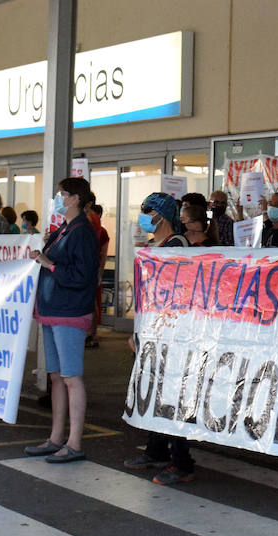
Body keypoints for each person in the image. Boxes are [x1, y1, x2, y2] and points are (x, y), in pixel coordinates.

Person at [22, 177, 99, 464]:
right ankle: (56, 437)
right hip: (54, 310)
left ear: (74, 198)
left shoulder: (82, 232)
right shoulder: (65, 230)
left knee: (70, 378)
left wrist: (49, 263)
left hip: (69, 312)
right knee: (57, 377)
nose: (57, 198)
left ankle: (74, 441)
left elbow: (83, 277)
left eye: (61, 194)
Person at [124, 192, 199, 484]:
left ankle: (182, 462)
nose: (143, 216)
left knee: (171, 396)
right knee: (156, 393)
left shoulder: (177, 246)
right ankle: (157, 450)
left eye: (147, 211)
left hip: (172, 333)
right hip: (155, 331)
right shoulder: (158, 246)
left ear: (161, 215)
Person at [85, 202, 110, 347]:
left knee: (91, 302)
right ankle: (91, 334)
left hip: (90, 269)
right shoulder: (100, 230)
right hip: (92, 269)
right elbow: (104, 254)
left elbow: (103, 254)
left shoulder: (93, 226)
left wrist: (99, 272)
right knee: (92, 302)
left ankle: (91, 334)